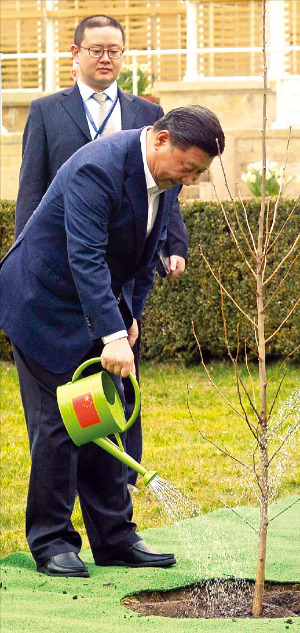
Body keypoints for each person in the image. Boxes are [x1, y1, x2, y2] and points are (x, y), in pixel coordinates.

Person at [0, 105, 225, 578]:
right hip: (42, 303)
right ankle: (52, 542)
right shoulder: (96, 168)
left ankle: (116, 539)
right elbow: (84, 255)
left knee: (106, 421)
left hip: (94, 306)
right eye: (189, 168)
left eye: (199, 173)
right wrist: (112, 333)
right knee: (60, 426)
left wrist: (129, 318)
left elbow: (144, 255)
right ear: (161, 140)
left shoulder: (164, 182)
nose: (189, 180)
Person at [14, 14, 189, 490]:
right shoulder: (48, 110)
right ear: (75, 55)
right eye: (96, 49)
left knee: (116, 372)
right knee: (57, 402)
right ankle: (58, 483)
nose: (106, 57)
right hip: (58, 270)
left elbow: (166, 187)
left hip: (113, 276)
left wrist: (175, 243)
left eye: (115, 49)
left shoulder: (149, 114)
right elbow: (32, 190)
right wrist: (25, 261)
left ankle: (121, 484)